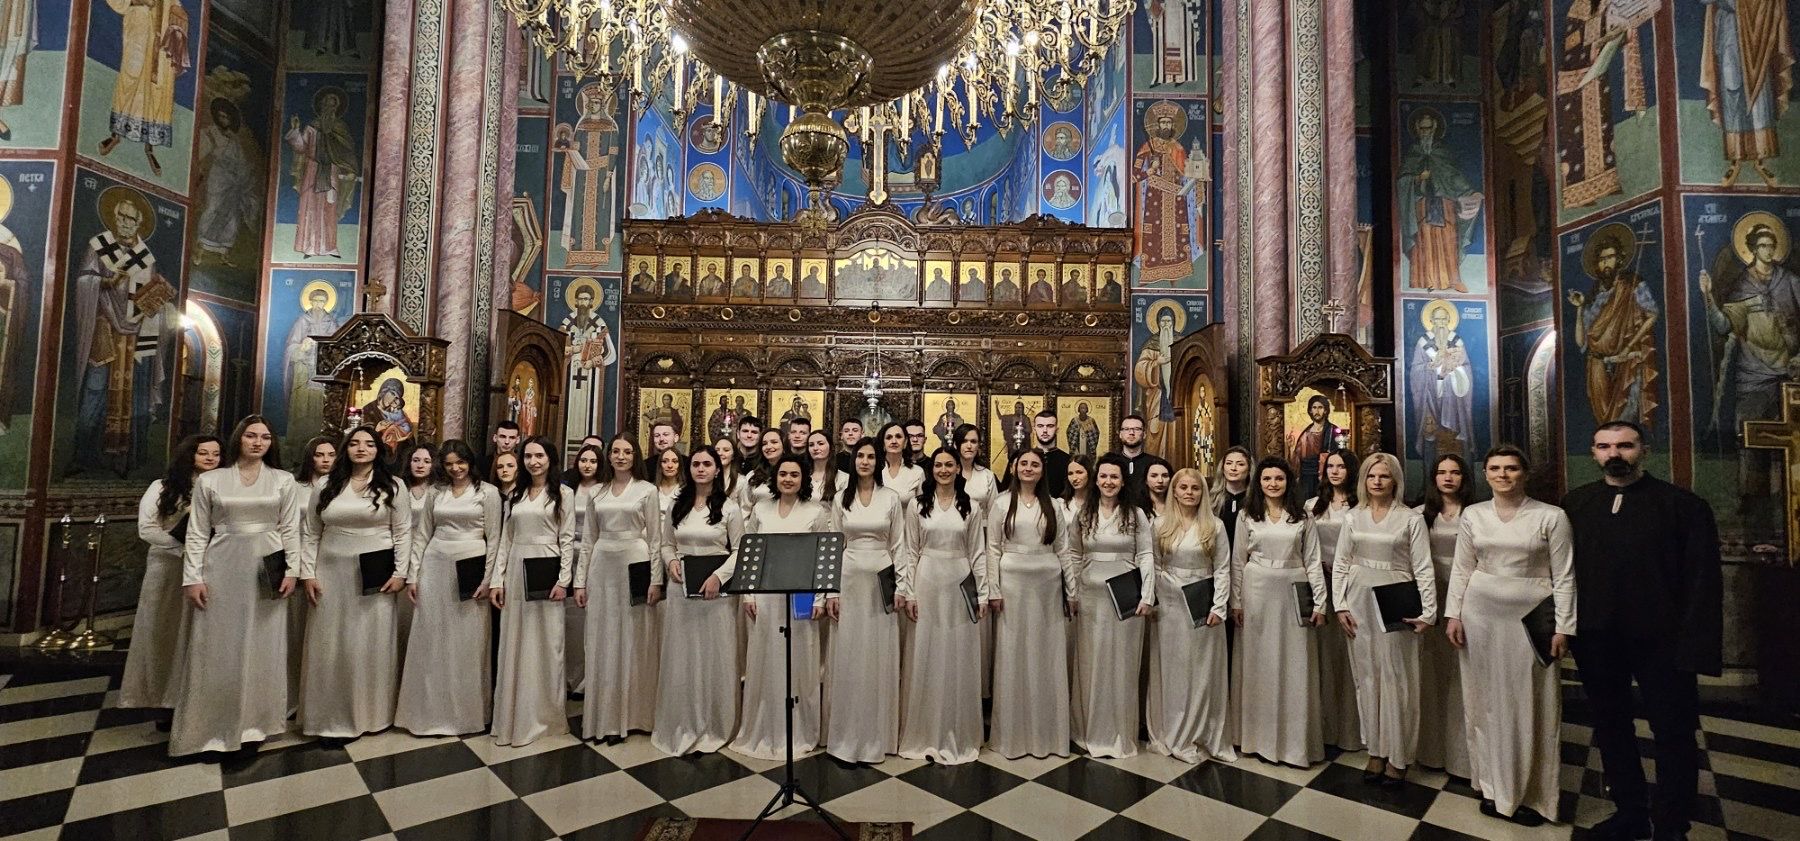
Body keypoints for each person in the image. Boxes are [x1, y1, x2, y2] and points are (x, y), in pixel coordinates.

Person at [1563, 422, 1721, 841]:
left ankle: (1672, 824)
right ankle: (1630, 812)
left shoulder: (1682, 506)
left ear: (1644, 451)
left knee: (1673, 732)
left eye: (1625, 445)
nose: (1614, 453)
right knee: (1611, 726)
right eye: (1604, 446)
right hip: (1597, 638)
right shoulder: (1576, 504)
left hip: (1663, 641)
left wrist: (1695, 645)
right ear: (1594, 453)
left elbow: (1703, 581)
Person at [1445, 445, 1575, 826]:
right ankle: (1491, 784)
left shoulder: (1551, 516)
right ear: (1485, 473)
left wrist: (1564, 626)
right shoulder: (1474, 514)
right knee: (1483, 699)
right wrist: (1453, 614)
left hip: (1531, 618)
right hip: (1480, 615)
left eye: (1511, 468)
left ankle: (1532, 794)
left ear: (1525, 473)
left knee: (1530, 701)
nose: (1503, 475)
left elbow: (1564, 576)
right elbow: (1462, 568)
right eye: (1495, 468)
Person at [169, 417, 300, 757]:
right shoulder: (212, 479)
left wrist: (293, 570)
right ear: (239, 438)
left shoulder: (283, 480)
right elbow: (198, 532)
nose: (258, 442)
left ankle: (254, 727)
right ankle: (211, 729)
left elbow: (290, 528)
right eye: (251, 436)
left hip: (268, 564)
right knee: (216, 645)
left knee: (263, 645)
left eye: (265, 437)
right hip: (222, 564)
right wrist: (193, 577)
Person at [298, 426, 410, 744]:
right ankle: (328, 715)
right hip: (330, 569)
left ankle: (371, 714)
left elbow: (403, 531)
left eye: (368, 444)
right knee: (331, 641)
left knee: (368, 640)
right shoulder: (326, 484)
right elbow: (311, 531)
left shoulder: (394, 486)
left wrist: (401, 572)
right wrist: (307, 573)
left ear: (378, 450)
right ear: (346, 449)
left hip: (375, 572)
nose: (361, 448)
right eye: (355, 443)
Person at [1332, 452, 1436, 786]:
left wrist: (1428, 611)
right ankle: (1375, 750)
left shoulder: (1410, 519)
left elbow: (1423, 567)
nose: (1377, 482)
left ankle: (1399, 755)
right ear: (1364, 480)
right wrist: (1340, 605)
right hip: (1358, 597)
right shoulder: (1353, 516)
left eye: (1384, 476)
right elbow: (1341, 562)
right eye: (1372, 476)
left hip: (1396, 597)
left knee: (1397, 677)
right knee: (1367, 676)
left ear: (1395, 481)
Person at [395, 439, 500, 737]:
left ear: (470, 462)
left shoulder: (488, 492)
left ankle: (465, 714)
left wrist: (489, 579)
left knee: (468, 640)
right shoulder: (435, 492)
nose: (455, 468)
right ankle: (427, 711)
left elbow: (494, 538)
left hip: (472, 566)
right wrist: (413, 575)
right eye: (449, 463)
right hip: (435, 565)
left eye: (460, 462)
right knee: (432, 636)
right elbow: (422, 534)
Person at [1231, 456, 1328, 767]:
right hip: (1256, 590)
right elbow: (1238, 561)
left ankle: (1293, 744)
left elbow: (1312, 560)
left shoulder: (1303, 516)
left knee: (1294, 662)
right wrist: (1236, 601)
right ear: (1258, 483)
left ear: (1289, 482)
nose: (1273, 484)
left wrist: (1320, 602)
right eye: (1267, 479)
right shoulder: (1247, 515)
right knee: (1258, 662)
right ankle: (1256, 739)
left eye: (1279, 478)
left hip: (1293, 588)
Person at [734, 453, 832, 759]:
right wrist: (748, 595)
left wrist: (820, 597)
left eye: (794, 474)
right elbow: (750, 552)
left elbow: (822, 557)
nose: (788, 479)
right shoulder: (761, 509)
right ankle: (764, 728)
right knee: (766, 655)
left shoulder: (816, 511)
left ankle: (800, 730)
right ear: (775, 477)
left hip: (802, 593)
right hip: (766, 593)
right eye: (783, 474)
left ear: (803, 479)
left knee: (800, 656)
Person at [898, 447, 989, 763]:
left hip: (959, 579)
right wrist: (909, 593)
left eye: (949, 464)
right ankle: (924, 732)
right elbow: (910, 551)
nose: (944, 470)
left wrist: (982, 593)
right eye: (938, 465)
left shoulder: (971, 506)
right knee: (927, 650)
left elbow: (978, 552)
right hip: (927, 579)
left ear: (957, 469)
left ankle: (958, 731)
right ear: (931, 469)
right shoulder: (917, 505)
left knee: (957, 652)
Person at [985, 449, 1077, 758]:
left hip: (1047, 584)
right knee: (1013, 651)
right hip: (1012, 583)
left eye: (1034, 464)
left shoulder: (1054, 505)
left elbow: (1063, 549)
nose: (1028, 468)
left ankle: (1048, 734)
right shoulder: (1001, 504)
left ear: (1042, 471)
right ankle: (1012, 734)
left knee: (1045, 651)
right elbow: (992, 548)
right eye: (1023, 463)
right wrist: (993, 589)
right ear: (1014, 468)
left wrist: (1071, 591)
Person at [652, 447, 743, 756]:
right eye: (695, 464)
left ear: (717, 470)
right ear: (688, 469)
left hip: (716, 594)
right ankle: (682, 721)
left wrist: (718, 576)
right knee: (683, 656)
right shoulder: (677, 505)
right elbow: (666, 544)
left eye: (707, 464)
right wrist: (670, 562)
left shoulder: (729, 507)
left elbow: (739, 550)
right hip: (681, 590)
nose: (701, 469)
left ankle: (715, 724)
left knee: (714, 656)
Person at [122, 434, 221, 716]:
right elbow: (148, 528)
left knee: (196, 632)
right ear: (189, 454)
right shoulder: (162, 487)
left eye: (216, 454)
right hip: (167, 565)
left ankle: (193, 698)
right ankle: (161, 698)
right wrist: (183, 548)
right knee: (162, 629)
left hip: (207, 567)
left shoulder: (220, 487)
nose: (210, 458)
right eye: (203, 452)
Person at [824, 438, 909, 763]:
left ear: (878, 461)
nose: (865, 461)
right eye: (860, 455)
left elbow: (899, 545)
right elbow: (834, 544)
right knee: (849, 654)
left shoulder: (891, 498)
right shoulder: (841, 498)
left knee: (878, 655)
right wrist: (831, 591)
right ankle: (845, 735)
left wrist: (902, 587)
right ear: (853, 460)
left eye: (871, 456)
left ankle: (878, 736)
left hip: (881, 580)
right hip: (848, 579)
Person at [575, 435, 665, 744]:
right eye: (616, 451)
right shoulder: (596, 492)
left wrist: (656, 579)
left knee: (633, 638)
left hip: (635, 563)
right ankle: (604, 716)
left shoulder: (647, 490)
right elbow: (588, 539)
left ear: (635, 455)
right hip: (602, 565)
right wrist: (579, 581)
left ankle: (635, 716)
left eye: (627, 451)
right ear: (608, 456)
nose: (621, 456)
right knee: (603, 637)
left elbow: (656, 540)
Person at [488, 437, 577, 747]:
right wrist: (497, 580)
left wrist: (564, 580)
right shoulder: (516, 495)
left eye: (539, 455)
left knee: (546, 642)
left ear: (550, 459)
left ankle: (544, 716)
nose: (533, 461)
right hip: (516, 568)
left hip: (546, 568)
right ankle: (513, 714)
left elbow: (567, 539)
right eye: (528, 456)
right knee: (515, 640)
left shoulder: (563, 494)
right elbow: (505, 539)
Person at [1068, 455, 1157, 758]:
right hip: (1090, 598)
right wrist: (1073, 591)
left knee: (1121, 664)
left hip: (1125, 598)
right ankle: (1087, 731)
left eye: (1114, 477)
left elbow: (1146, 554)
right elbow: (1074, 553)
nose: (1108, 482)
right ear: (1096, 480)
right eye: (1103, 476)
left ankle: (1119, 733)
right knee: (1090, 663)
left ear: (1122, 481)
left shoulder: (1136, 514)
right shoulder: (1084, 513)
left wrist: (1147, 594)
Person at [1146, 468, 1234, 763]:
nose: (1188, 493)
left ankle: (1199, 732)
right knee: (1173, 669)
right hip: (1169, 605)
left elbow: (1223, 568)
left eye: (1195, 488)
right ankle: (1170, 729)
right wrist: (1158, 593)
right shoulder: (1159, 524)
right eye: (1183, 487)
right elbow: (1153, 563)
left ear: (1202, 492)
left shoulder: (1215, 526)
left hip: (1202, 604)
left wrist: (1219, 606)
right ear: (1174, 491)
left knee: (1201, 669)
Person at [1416, 453, 1473, 779]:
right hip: (1431, 595)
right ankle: (1432, 748)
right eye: (1442, 472)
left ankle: (1464, 753)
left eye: (1455, 472)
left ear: (1464, 477)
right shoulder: (1420, 514)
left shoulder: (1475, 514)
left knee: (1462, 670)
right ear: (1434, 478)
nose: (1448, 478)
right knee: (1433, 669)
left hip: (1466, 596)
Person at [1307, 450, 1364, 753]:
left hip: (1350, 584)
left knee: (1349, 651)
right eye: (1330, 466)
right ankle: (1325, 725)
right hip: (1320, 584)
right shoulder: (1312, 506)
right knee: (1324, 653)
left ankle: (1352, 729)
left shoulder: (1360, 506)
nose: (1335, 471)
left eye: (1341, 466)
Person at [96, 0, 190, 176]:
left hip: (163, 34)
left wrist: (179, 12)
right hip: (139, 24)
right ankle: (116, 135)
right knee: (130, 77)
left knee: (159, 89)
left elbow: (175, 4)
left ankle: (150, 147)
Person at [564, 443, 605, 696]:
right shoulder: (568, 489)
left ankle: (589, 679)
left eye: (593, 461)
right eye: (583, 460)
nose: (587, 465)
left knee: (591, 619)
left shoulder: (603, 490)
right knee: (572, 621)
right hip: (569, 556)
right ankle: (572, 678)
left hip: (595, 555)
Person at [1288, 395, 1345, 502]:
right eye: (1314, 408)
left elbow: (1340, 455)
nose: (1317, 411)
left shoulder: (1333, 430)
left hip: (1324, 476)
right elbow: (1297, 457)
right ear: (1310, 410)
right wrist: (1290, 447)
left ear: (1325, 410)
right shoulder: (1306, 432)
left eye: (1320, 407)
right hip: (1306, 477)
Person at [1211, 446, 1253, 552]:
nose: (1233, 468)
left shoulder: (1255, 500)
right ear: (1222, 468)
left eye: (1240, 464)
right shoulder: (1212, 500)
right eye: (1229, 463)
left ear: (1249, 469)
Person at [952, 424, 998, 513]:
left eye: (973, 441)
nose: (969, 446)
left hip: (982, 521)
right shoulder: (948, 473)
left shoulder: (987, 475)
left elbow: (994, 512)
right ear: (955, 444)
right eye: (964, 441)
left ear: (978, 445)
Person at [876, 421, 925, 503]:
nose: (894, 441)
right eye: (889, 437)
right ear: (883, 443)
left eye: (898, 437)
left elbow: (921, 506)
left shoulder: (917, 472)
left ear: (905, 442)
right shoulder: (874, 470)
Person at [1033, 410, 1072, 498]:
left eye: (1050, 426)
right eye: (1040, 426)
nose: (1045, 430)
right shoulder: (1024, 459)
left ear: (1056, 430)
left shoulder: (1068, 460)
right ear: (1034, 429)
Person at [804, 430, 841, 504]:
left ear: (830, 447)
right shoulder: (802, 476)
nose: (815, 448)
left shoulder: (842, 478)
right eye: (811, 445)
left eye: (820, 444)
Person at [1058, 455, 1095, 521]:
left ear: (1089, 473)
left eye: (1079, 472)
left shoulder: (1100, 503)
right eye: (1070, 473)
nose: (1074, 478)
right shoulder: (1060, 504)